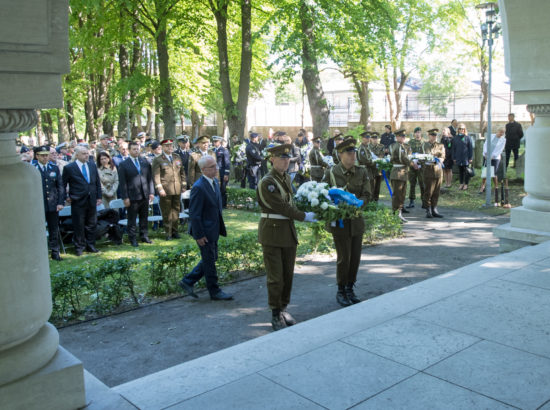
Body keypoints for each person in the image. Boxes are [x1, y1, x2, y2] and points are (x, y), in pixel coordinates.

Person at [257, 143, 316, 330]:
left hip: (287, 231)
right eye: (281, 158)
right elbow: (281, 207)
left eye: (287, 158)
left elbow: (292, 202)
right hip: (273, 232)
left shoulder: (285, 179)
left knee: (288, 274)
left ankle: (283, 308)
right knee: (276, 276)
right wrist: (304, 216)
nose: (285, 161)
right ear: (271, 159)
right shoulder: (267, 182)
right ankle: (275, 313)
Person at [323, 138, 372, 307]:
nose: (353, 156)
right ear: (340, 154)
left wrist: (360, 203)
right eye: (349, 153)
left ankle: (350, 287)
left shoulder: (362, 172)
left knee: (355, 257)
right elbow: (322, 193)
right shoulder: (331, 172)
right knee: (344, 257)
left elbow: (367, 193)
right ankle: (341, 289)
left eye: (354, 153)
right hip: (340, 221)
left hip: (356, 220)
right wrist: (333, 206)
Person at [178, 155, 233, 301]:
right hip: (204, 231)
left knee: (211, 257)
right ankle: (214, 291)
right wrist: (199, 235)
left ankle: (188, 281)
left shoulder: (214, 182)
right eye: (212, 167)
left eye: (216, 165)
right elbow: (195, 215)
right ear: (203, 170)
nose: (216, 169)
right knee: (209, 261)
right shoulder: (199, 187)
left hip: (213, 228)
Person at [62, 145, 102, 256]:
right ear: (77, 154)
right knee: (79, 224)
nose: (87, 155)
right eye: (84, 153)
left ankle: (91, 245)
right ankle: (79, 247)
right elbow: (63, 184)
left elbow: (97, 182)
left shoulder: (92, 165)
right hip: (78, 200)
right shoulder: (69, 168)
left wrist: (99, 196)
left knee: (91, 224)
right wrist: (66, 197)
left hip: (91, 199)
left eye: (87, 153)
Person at [118, 141, 155, 246]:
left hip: (144, 195)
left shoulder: (145, 161)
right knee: (132, 219)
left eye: (138, 149)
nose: (136, 151)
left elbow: (149, 178)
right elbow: (122, 183)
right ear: (129, 150)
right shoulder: (123, 164)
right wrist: (125, 197)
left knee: (144, 217)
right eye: (134, 149)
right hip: (132, 196)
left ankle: (144, 236)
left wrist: (151, 192)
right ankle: (132, 238)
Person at [35, 145, 65, 261]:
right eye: (42, 156)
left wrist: (60, 202)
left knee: (54, 229)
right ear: (37, 156)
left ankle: (55, 252)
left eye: (46, 155)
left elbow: (60, 187)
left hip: (52, 205)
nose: (45, 158)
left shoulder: (54, 168)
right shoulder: (33, 168)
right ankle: (40, 252)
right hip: (39, 205)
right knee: (39, 230)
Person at [152, 139, 187, 240]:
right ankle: (168, 233)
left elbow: (182, 172)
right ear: (162, 147)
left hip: (177, 188)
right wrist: (160, 189)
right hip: (165, 189)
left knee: (176, 211)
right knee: (167, 212)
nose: (169, 147)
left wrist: (183, 185)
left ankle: (175, 231)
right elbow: (156, 176)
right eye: (167, 146)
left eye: (171, 145)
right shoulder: (158, 159)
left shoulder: (177, 157)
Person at [422, 129, 445, 218]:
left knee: (436, 191)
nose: (434, 137)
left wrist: (439, 158)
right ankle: (428, 209)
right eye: (432, 135)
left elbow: (442, 156)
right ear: (429, 135)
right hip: (428, 170)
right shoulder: (425, 145)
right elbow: (425, 156)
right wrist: (435, 156)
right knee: (428, 191)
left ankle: (434, 208)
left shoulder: (440, 145)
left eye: (435, 135)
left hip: (438, 170)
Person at [389, 129, 412, 223]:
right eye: (401, 136)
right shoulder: (397, 146)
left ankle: (399, 213)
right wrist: (411, 163)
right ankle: (395, 214)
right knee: (397, 195)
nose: (403, 138)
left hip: (402, 173)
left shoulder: (401, 146)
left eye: (404, 136)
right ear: (397, 137)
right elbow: (402, 158)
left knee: (402, 194)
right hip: (397, 173)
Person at [480, 127, 506, 195]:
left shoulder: (503, 140)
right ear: (497, 131)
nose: (501, 134)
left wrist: (493, 156)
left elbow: (500, 149)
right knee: (485, 171)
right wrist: (485, 153)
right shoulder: (491, 136)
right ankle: (483, 186)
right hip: (486, 155)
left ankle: (496, 187)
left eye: (503, 132)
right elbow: (485, 145)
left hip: (495, 157)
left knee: (494, 173)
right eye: (500, 132)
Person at [407, 127, 425, 209]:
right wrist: (413, 163)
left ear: (421, 133)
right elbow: (409, 153)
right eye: (416, 132)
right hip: (412, 166)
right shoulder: (410, 142)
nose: (417, 134)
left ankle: (424, 201)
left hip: (421, 167)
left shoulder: (424, 143)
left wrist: (419, 164)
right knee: (412, 184)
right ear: (414, 133)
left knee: (422, 184)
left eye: (419, 132)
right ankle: (411, 201)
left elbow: (426, 155)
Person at [452, 123, 473, 190]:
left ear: (465, 130)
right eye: (460, 129)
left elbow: (470, 148)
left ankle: (466, 184)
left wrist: (470, 158)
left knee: (466, 171)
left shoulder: (467, 138)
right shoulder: (455, 138)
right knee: (460, 171)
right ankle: (461, 184)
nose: (461, 130)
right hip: (458, 157)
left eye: (463, 129)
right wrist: (454, 157)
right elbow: (453, 149)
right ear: (458, 130)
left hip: (465, 158)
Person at [212, 136, 231, 208]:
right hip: (214, 172)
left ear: (220, 142)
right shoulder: (212, 150)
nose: (214, 143)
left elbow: (227, 163)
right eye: (214, 141)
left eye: (216, 141)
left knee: (222, 189)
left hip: (222, 172)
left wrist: (226, 174)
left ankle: (223, 205)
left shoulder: (224, 150)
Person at [369, 132, 385, 201]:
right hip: (371, 169)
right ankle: (371, 200)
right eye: (373, 138)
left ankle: (376, 199)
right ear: (371, 139)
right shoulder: (368, 147)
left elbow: (381, 156)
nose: (375, 140)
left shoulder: (381, 146)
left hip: (378, 169)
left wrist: (376, 159)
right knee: (371, 185)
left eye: (376, 138)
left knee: (378, 185)